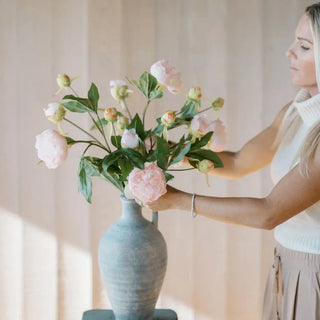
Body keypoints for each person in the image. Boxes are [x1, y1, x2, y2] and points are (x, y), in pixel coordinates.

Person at [147, 3, 320, 320]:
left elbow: (269, 212)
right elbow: (239, 162)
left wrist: (178, 201)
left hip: (314, 272)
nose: (289, 52)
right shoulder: (294, 112)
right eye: (295, 41)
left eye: (304, 46)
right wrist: (170, 150)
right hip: (285, 263)